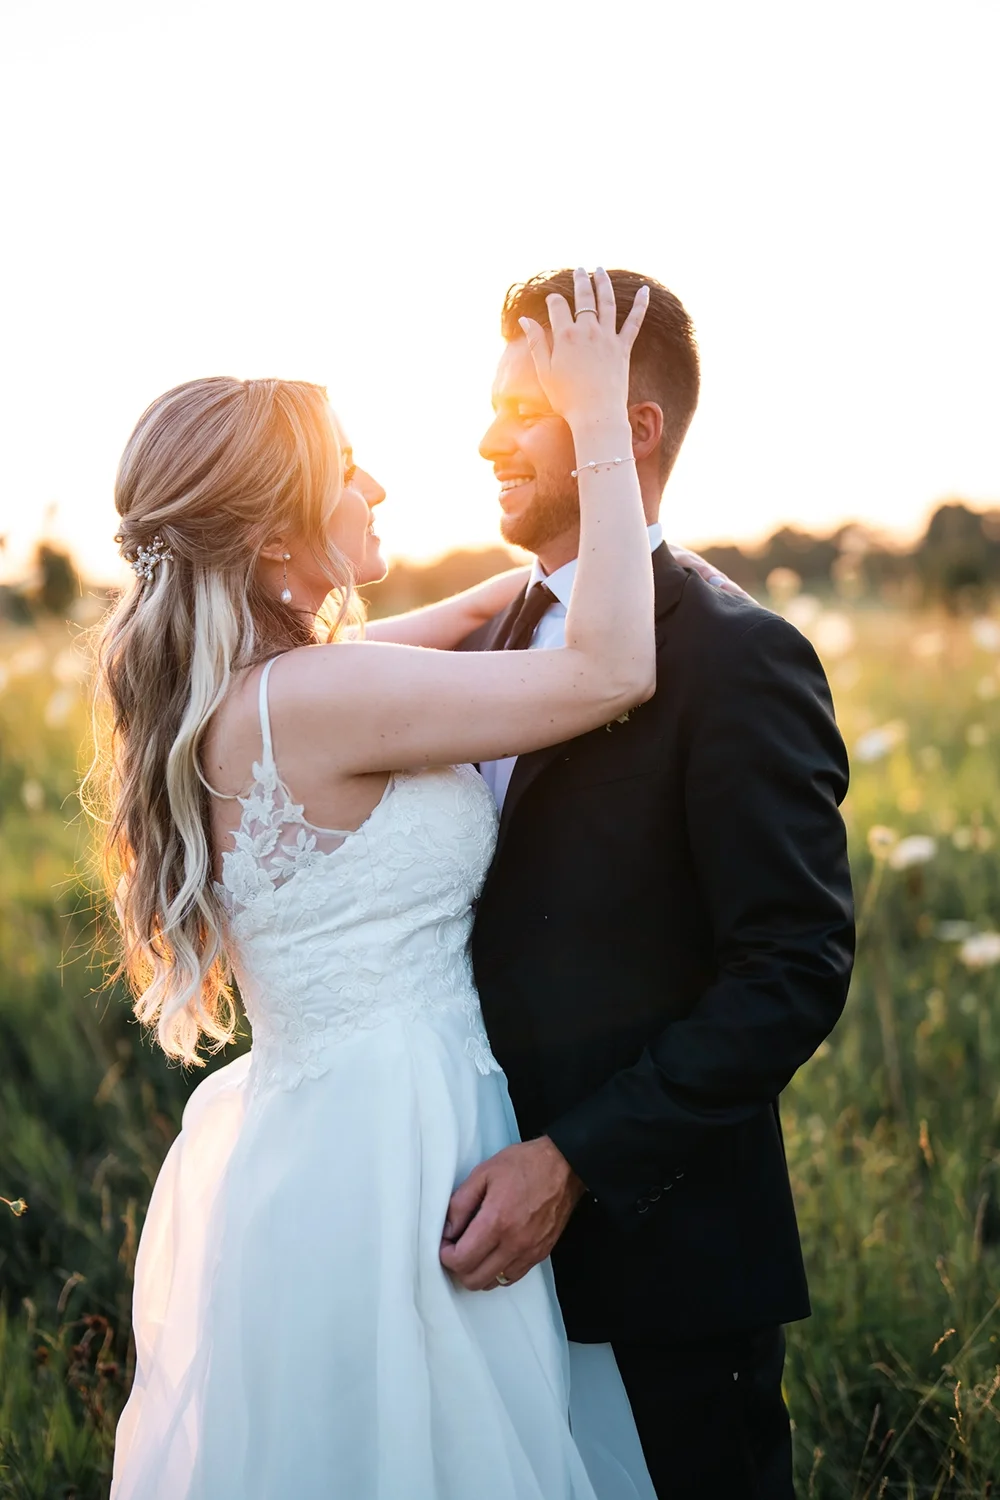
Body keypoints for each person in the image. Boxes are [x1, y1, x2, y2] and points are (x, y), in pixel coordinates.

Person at [101, 270, 668, 1500]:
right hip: (395, 1148)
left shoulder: (255, 691)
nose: (378, 486)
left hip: (327, 1136)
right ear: (269, 536)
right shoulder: (320, 697)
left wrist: (563, 514)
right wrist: (598, 418)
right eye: (348, 467)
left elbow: (491, 608)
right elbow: (609, 664)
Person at [441, 268, 856, 1500]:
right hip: (475, 1249)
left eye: (527, 408)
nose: (485, 438)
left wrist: (572, 1160)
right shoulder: (491, 631)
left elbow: (790, 972)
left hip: (664, 1263)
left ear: (631, 428)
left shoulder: (738, 657)